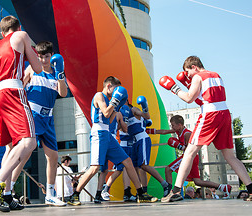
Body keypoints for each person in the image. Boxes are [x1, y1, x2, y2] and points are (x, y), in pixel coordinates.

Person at [159, 56, 252, 202]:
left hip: (210, 115)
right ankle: (251, 188)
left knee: (189, 152)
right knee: (230, 156)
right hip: (225, 114)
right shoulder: (216, 75)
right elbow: (205, 98)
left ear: (194, 67)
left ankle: (176, 192)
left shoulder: (198, 77)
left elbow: (189, 98)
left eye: (188, 72)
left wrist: (174, 88)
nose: (188, 76)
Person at [0, 15, 42, 212]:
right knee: (29, 142)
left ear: (2, 32)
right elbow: (38, 67)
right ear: (18, 27)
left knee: (9, 147)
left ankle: (6, 195)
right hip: (13, 91)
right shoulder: (22, 35)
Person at [67, 76, 156, 206]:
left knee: (128, 161)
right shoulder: (99, 96)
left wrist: (117, 107)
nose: (116, 92)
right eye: (115, 89)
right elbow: (106, 113)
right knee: (95, 168)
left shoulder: (109, 100)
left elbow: (109, 120)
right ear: (108, 86)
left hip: (107, 134)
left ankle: (141, 194)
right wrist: (115, 102)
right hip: (98, 134)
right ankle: (75, 195)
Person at [23, 41, 68, 206]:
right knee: (24, 154)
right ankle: (8, 191)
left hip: (48, 118)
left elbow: (63, 94)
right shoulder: (32, 69)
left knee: (53, 156)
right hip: (33, 115)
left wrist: (61, 74)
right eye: (40, 56)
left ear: (51, 55)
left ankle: (50, 194)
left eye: (46, 56)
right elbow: (20, 87)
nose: (42, 60)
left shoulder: (57, 73)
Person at [148, 115, 232, 198]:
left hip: (189, 157)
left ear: (179, 125)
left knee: (168, 169)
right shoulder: (178, 131)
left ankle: (168, 192)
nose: (172, 127)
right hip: (193, 157)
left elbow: (190, 150)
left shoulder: (187, 134)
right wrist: (150, 131)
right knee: (197, 182)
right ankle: (223, 187)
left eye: (173, 125)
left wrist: (179, 146)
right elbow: (164, 132)